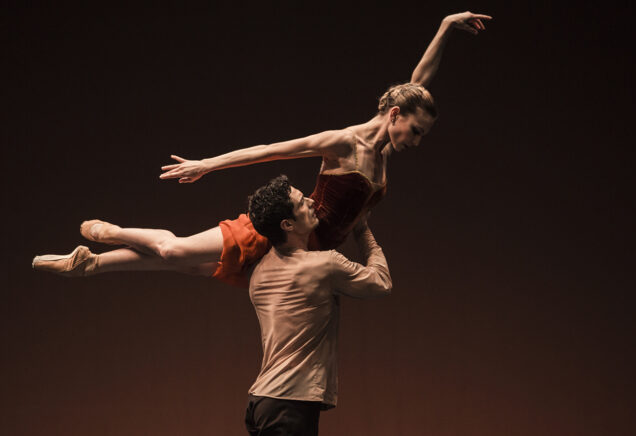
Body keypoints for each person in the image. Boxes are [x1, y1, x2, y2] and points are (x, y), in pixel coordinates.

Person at [32, 12, 492, 286]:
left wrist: (446, 26)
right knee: (175, 254)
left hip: (302, 255)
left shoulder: (386, 149)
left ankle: (89, 264)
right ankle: (108, 234)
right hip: (282, 232)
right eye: (414, 131)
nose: (415, 142)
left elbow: (417, 82)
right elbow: (270, 149)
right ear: (394, 116)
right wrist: (207, 165)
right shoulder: (344, 143)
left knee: (191, 268)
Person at [243, 175, 391, 435]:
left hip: (262, 402)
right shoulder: (324, 265)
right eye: (302, 202)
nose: (312, 201)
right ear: (287, 224)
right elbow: (381, 282)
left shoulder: (259, 270)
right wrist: (362, 229)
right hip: (288, 404)